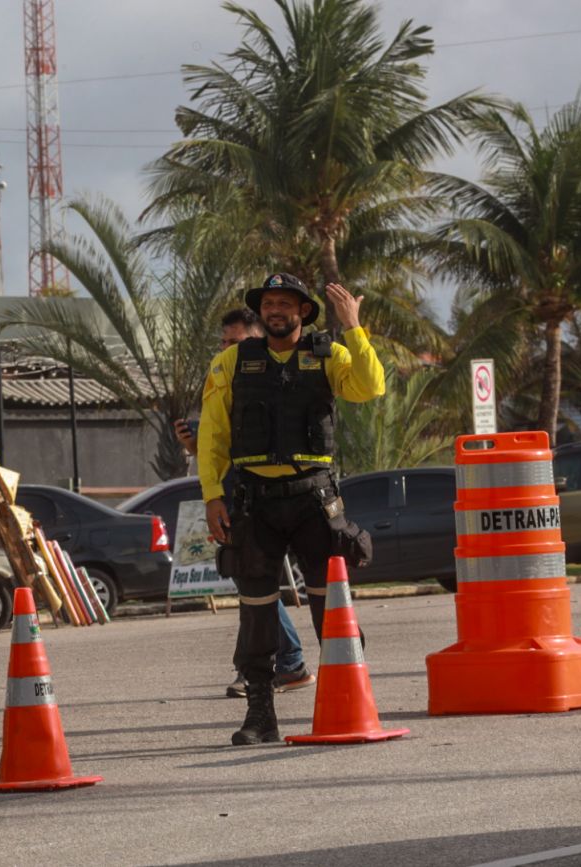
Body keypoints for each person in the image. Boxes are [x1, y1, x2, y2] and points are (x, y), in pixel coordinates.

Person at [197, 274, 384, 745]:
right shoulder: (230, 362)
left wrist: (353, 326)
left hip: (312, 498)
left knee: (331, 607)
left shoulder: (330, 354)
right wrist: (212, 494)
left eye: (285, 303)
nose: (275, 310)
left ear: (303, 311)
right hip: (254, 500)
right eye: (268, 303)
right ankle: (260, 716)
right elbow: (213, 433)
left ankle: (350, 703)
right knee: (257, 612)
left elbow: (369, 387)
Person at [175, 308, 314, 699]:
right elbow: (219, 445)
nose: (225, 349)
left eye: (233, 342)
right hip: (235, 496)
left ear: (256, 341)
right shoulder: (224, 379)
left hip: (265, 497)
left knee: (254, 584)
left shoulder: (271, 383)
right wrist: (195, 448)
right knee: (251, 582)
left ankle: (284, 663)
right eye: (222, 342)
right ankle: (276, 665)